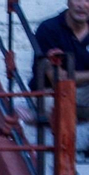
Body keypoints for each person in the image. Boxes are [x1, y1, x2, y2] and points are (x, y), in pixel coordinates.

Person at [33, 1, 89, 158]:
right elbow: (57, 78)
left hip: (84, 94)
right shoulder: (49, 29)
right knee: (51, 104)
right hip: (52, 93)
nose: (81, 5)